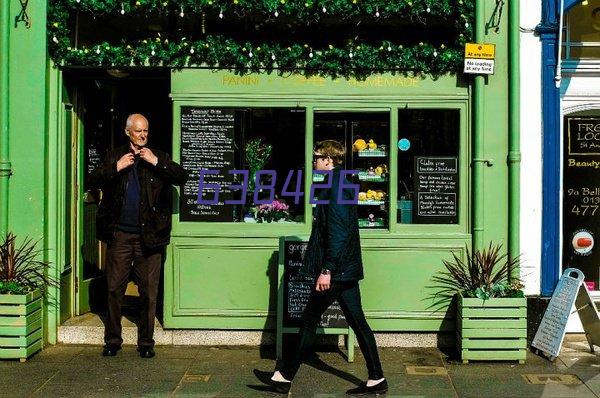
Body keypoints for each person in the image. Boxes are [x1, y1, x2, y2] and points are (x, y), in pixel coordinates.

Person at [253, 140, 387, 395]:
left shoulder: (335, 185)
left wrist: (326, 270)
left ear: (328, 160)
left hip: (336, 271)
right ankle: (377, 377)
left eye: (316, 157)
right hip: (345, 269)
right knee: (358, 323)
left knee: (309, 320)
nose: (313, 161)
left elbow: (337, 232)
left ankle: (284, 376)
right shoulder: (339, 183)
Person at [89, 113, 188, 358]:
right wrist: (116, 168)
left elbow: (182, 177)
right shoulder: (115, 155)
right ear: (128, 132)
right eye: (138, 131)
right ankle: (113, 340)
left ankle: (146, 342)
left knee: (148, 291)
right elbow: (92, 179)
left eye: (146, 131)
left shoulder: (158, 156)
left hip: (150, 237)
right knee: (114, 288)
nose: (143, 135)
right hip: (120, 235)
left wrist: (156, 162)